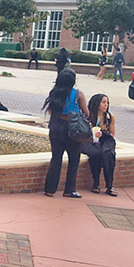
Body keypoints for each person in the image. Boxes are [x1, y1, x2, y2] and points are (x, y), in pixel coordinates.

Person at [43, 68, 89, 198]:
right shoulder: (78, 94)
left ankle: (50, 189)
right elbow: (86, 112)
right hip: (71, 129)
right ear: (73, 81)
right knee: (74, 159)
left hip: (56, 128)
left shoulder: (54, 93)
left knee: (56, 159)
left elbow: (51, 112)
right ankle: (69, 190)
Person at [82, 93, 117, 195]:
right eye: (103, 102)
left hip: (105, 140)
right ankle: (96, 183)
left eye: (107, 103)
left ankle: (109, 185)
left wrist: (103, 134)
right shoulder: (88, 116)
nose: (106, 105)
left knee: (108, 154)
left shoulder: (110, 117)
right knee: (96, 154)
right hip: (89, 141)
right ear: (97, 103)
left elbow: (112, 134)